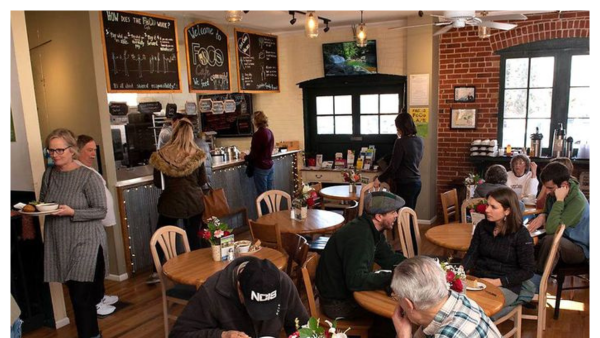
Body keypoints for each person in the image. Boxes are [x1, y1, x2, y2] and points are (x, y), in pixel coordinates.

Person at [41, 128, 108, 338]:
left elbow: (101, 210)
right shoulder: (49, 174)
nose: (55, 155)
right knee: (76, 295)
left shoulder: (89, 177)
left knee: (81, 298)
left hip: (86, 242)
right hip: (60, 241)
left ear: (72, 150)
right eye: (51, 151)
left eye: (60, 150)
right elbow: (43, 201)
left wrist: (73, 212)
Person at [316, 191, 406, 319]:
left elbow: (389, 258)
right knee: (395, 315)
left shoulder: (371, 230)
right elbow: (355, 280)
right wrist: (392, 276)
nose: (397, 215)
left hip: (347, 295)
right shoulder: (360, 237)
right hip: (338, 305)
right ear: (379, 216)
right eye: (393, 212)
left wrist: (414, 265)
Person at [169, 256, 308, 338]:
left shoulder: (283, 283)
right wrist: (221, 335)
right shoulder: (211, 293)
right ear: (239, 288)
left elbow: (302, 326)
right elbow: (178, 335)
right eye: (254, 307)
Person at [148, 118, 208, 283]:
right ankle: (198, 270)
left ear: (174, 133)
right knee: (195, 235)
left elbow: (158, 184)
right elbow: (202, 181)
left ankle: (157, 271)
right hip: (193, 202)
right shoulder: (197, 155)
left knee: (162, 234)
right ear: (190, 134)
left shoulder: (161, 155)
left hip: (170, 201)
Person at [462, 187, 535, 320]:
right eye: (487, 205)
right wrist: (459, 272)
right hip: (478, 281)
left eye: (493, 207)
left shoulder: (521, 234)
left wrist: (497, 282)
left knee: (471, 310)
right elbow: (472, 254)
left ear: (507, 211)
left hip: (506, 285)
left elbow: (528, 270)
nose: (486, 210)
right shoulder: (482, 226)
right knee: (453, 304)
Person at [390, 256, 501, 338]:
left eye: (397, 296)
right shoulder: (458, 299)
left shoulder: (448, 335)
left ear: (409, 304)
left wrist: (402, 335)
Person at [76, 135, 119, 315]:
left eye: (95, 150)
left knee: (100, 263)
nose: (94, 154)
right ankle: (95, 302)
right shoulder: (78, 172)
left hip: (98, 226)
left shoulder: (89, 170)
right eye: (89, 150)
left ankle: (100, 295)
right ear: (77, 151)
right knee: (94, 265)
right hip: (88, 228)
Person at [527, 162, 589, 274]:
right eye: (545, 187)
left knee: (551, 240)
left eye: (550, 188)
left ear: (564, 185)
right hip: (562, 238)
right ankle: (523, 275)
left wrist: (559, 201)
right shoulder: (553, 193)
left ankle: (538, 281)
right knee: (527, 239)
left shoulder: (577, 201)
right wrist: (543, 215)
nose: (547, 191)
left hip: (580, 248)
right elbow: (547, 211)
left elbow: (552, 229)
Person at [374, 112, 424, 210]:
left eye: (397, 127)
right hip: (416, 183)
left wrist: (379, 179)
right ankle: (412, 226)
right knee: (409, 214)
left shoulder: (400, 142)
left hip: (405, 184)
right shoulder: (420, 140)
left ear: (401, 127)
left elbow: (393, 167)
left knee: (402, 215)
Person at [243, 111, 275, 199]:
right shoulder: (269, 132)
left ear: (255, 121)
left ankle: (265, 213)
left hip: (261, 167)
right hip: (270, 166)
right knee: (270, 194)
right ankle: (272, 212)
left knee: (263, 197)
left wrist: (245, 157)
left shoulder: (257, 135)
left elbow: (254, 155)